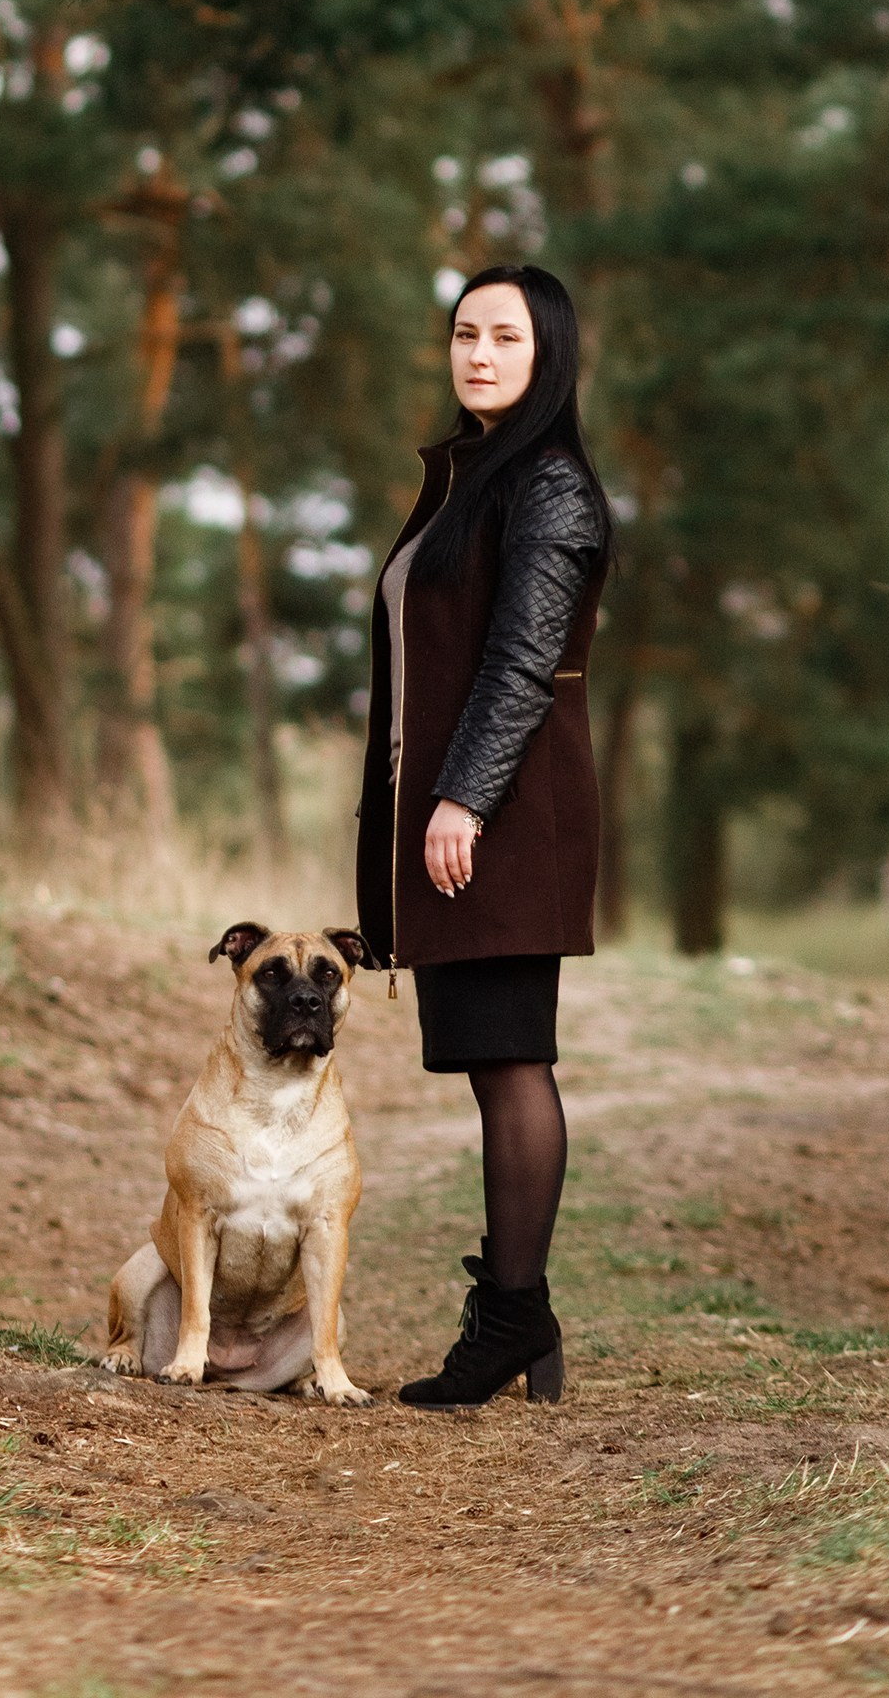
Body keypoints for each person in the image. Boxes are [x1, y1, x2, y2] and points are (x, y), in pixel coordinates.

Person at [356, 261, 612, 1409]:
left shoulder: (546, 486)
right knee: (489, 1062)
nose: (477, 354)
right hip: (462, 812)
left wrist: (461, 799)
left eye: (503, 336)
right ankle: (522, 1310)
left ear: (545, 353)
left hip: (504, 816)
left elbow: (521, 663)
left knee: (513, 1061)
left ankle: (510, 1317)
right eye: (464, 333)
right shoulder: (471, 480)